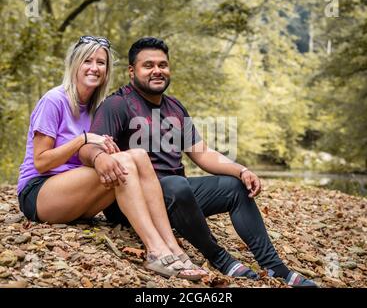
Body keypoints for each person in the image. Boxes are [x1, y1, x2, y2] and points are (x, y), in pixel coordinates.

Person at [80, 37, 319, 288]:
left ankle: (275, 267)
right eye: (148, 65)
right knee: (175, 185)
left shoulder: (175, 107)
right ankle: (220, 258)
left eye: (163, 65)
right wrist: (100, 158)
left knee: (234, 187)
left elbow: (203, 153)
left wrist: (241, 170)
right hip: (133, 203)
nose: (157, 71)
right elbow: (91, 148)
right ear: (132, 71)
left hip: (176, 195)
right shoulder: (117, 105)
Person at [17, 35, 207, 281]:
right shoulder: (54, 100)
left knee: (137, 155)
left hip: (78, 196)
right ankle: (155, 250)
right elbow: (41, 161)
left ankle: (173, 248)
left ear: (107, 70)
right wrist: (82, 140)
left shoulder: (98, 107)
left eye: (101, 62)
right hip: (39, 193)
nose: (94, 68)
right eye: (87, 61)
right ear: (74, 64)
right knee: (128, 161)